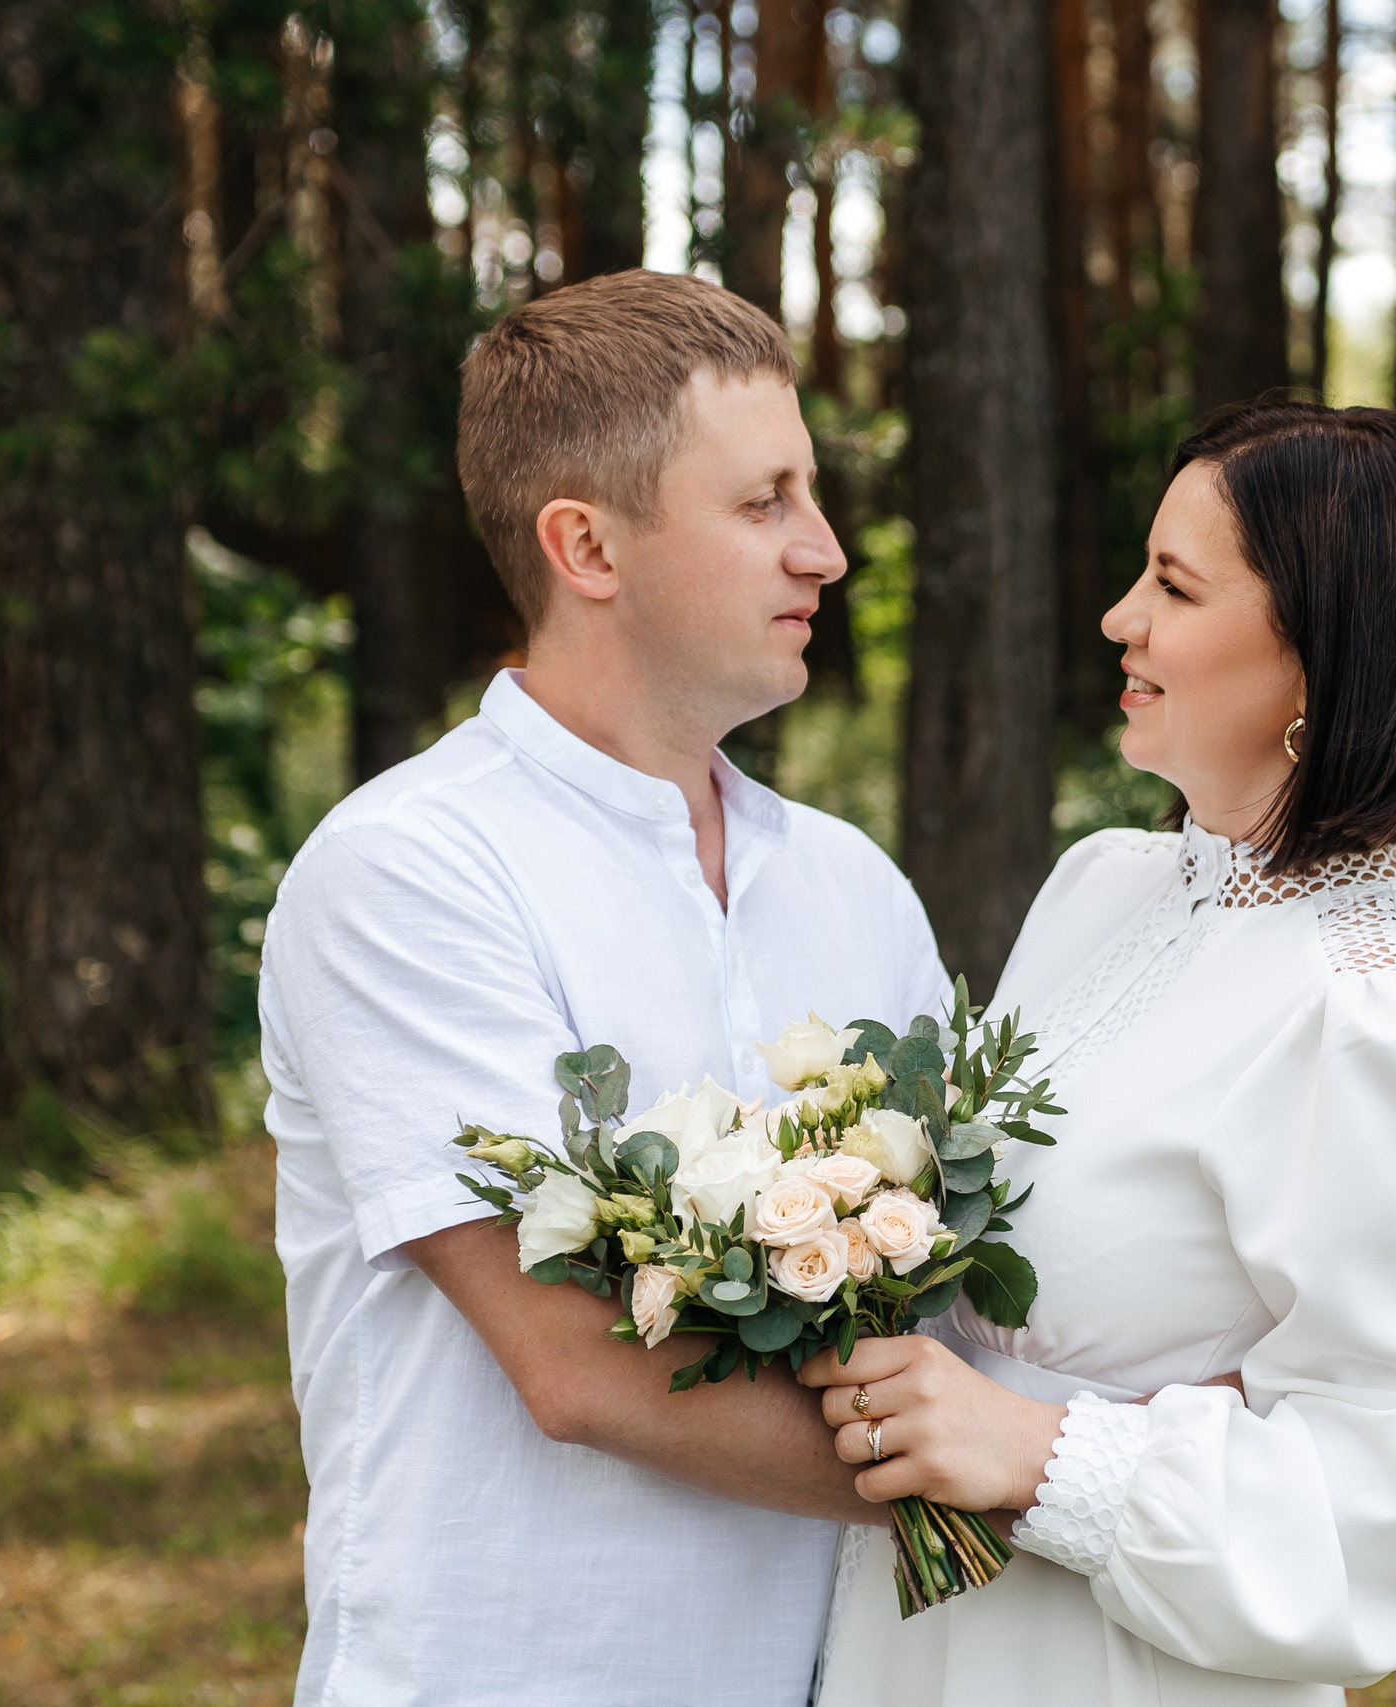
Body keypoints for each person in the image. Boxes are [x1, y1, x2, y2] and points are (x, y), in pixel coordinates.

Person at [258, 271, 949, 1707]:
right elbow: (582, 1367)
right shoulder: (410, 871)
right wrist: (1048, 1475)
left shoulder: (852, 886)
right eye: (762, 503)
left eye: (811, 494)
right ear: (586, 546)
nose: (824, 550)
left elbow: (944, 1309)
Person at [802, 401, 1396, 1705]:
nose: (1118, 618)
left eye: (1176, 588)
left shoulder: (1370, 1012)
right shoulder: (1103, 885)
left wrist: (1042, 1455)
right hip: (914, 1628)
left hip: (1113, 1663)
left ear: (1319, 662)